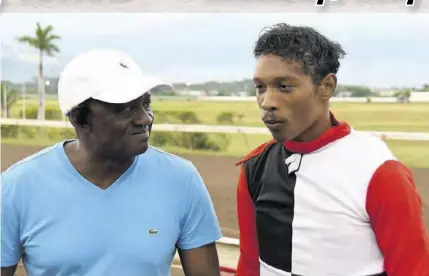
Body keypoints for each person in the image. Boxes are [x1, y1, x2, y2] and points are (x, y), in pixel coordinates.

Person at [1, 49, 223, 276]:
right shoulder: (16, 188)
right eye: (125, 108)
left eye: (146, 104)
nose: (144, 118)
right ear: (78, 117)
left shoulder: (181, 180)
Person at [236, 23, 429, 276]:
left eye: (284, 86)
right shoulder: (255, 167)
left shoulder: (380, 171)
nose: (267, 102)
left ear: (326, 86)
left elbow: (412, 269)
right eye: (260, 87)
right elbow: (250, 265)